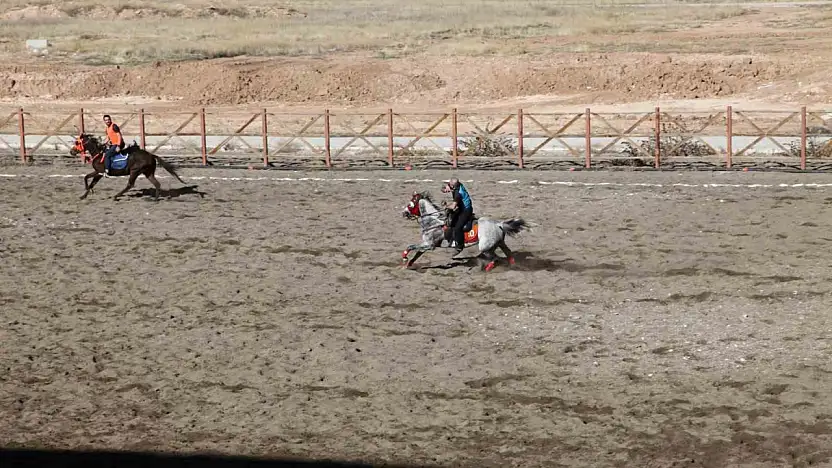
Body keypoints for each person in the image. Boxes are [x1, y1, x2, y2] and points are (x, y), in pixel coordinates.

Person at [442, 177, 473, 258]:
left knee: (458, 227)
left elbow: (453, 206)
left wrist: (446, 206)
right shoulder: (458, 185)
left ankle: (459, 246)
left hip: (466, 210)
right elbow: (447, 188)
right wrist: (445, 189)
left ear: (453, 186)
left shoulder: (458, 193)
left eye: (450, 184)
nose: (448, 185)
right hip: (461, 207)